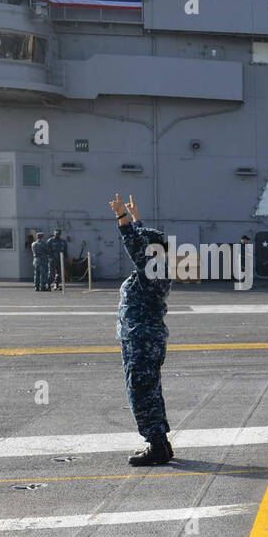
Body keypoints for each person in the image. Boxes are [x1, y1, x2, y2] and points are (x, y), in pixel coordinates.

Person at [111, 193, 175, 466]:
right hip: (144, 338)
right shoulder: (156, 266)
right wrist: (137, 219)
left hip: (141, 340)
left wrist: (122, 219)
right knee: (149, 391)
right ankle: (161, 444)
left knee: (141, 393)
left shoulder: (151, 269)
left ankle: (157, 446)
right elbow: (145, 242)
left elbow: (137, 246)